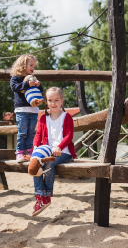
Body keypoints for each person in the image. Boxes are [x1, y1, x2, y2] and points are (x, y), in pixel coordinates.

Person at [31, 87, 77, 216]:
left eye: (56, 100)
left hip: (64, 152)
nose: (53, 103)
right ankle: (40, 197)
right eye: (50, 100)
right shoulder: (43, 119)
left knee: (50, 164)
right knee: (36, 164)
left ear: (62, 101)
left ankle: (47, 195)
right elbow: (38, 135)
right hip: (47, 151)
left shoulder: (66, 117)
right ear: (46, 102)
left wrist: (59, 148)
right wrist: (35, 146)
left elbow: (69, 136)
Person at [10, 54, 44, 162]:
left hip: (33, 110)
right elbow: (14, 87)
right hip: (22, 110)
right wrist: (26, 84)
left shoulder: (34, 79)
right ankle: (20, 153)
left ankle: (30, 151)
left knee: (31, 132)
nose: (33, 68)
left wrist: (38, 85)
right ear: (23, 65)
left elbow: (41, 90)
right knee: (22, 132)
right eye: (31, 65)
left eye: (34, 66)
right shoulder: (16, 78)